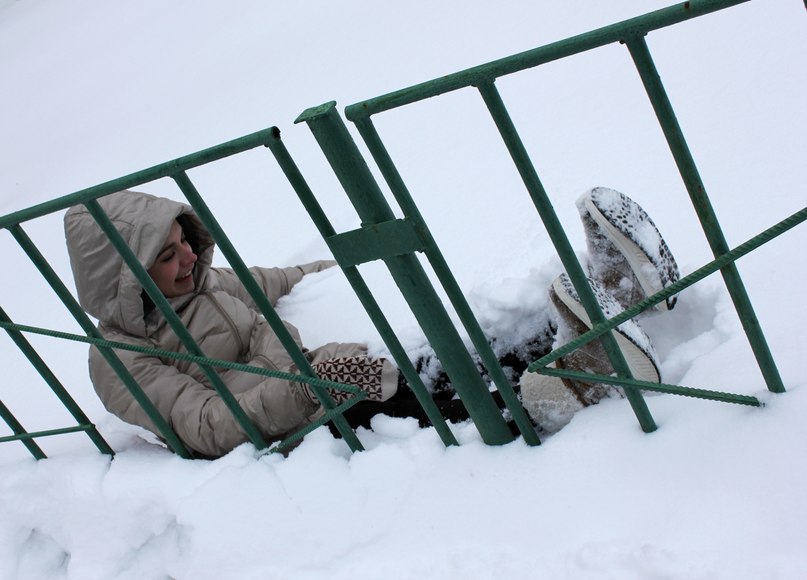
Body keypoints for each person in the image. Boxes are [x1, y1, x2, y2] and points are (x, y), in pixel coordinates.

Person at [63, 187, 678, 458]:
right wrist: (306, 386)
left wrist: (326, 267)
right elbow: (201, 426)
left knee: (446, 362)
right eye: (166, 256)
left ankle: (606, 299)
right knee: (443, 411)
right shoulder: (120, 359)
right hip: (307, 429)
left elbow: (270, 279)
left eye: (184, 242)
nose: (189, 259)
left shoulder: (204, 281)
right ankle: (572, 385)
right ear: (124, 279)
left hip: (334, 375)